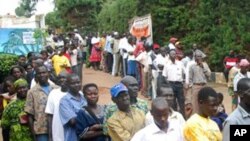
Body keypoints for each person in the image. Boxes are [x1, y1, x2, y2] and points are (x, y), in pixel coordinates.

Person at [25, 65, 59, 141]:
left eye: (44, 72)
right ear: (36, 76)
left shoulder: (57, 89)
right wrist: (33, 134)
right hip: (41, 130)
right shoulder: (32, 92)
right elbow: (30, 115)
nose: (42, 75)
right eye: (39, 73)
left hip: (57, 127)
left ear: (48, 74)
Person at [59, 74, 87, 141]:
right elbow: (72, 121)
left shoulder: (84, 97)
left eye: (78, 82)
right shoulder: (64, 101)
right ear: (67, 85)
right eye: (73, 83)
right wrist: (89, 119)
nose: (77, 85)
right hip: (73, 138)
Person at [45, 71, 68, 141]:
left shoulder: (77, 93)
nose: (61, 80)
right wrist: (50, 136)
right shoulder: (53, 93)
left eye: (64, 77)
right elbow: (49, 115)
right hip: (57, 132)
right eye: (60, 78)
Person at [163, 49, 185, 117]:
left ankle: (183, 116)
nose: (173, 55)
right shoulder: (167, 65)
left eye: (174, 54)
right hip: (171, 84)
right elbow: (164, 76)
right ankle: (174, 115)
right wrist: (168, 84)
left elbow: (185, 73)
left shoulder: (180, 63)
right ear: (169, 55)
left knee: (181, 101)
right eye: (172, 54)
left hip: (179, 84)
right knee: (173, 101)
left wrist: (184, 81)